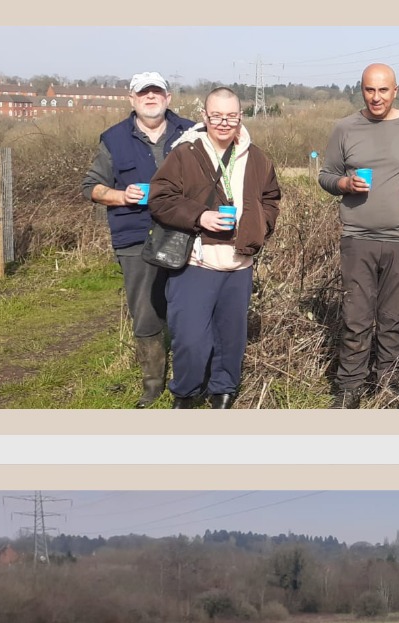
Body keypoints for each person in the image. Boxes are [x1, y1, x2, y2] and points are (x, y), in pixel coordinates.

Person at [148, 86, 281, 409]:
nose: (224, 123)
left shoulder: (258, 157)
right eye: (217, 116)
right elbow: (160, 199)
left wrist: (259, 227)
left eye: (231, 116)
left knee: (230, 339)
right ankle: (186, 392)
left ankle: (223, 390)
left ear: (241, 117)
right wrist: (200, 216)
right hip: (197, 263)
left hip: (239, 265)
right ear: (204, 116)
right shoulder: (185, 153)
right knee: (190, 338)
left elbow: (271, 199)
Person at [319, 64, 399, 408]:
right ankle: (349, 387)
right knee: (356, 319)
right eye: (370, 90)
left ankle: (389, 385)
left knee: (393, 319)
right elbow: (326, 175)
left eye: (383, 90)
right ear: (361, 90)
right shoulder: (345, 128)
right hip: (357, 238)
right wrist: (344, 184)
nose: (376, 97)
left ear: (395, 90)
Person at [82, 73, 193, 407]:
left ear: (168, 97)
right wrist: (121, 195)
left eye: (156, 91)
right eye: (143, 92)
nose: (150, 97)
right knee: (145, 314)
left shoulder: (190, 133)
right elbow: (91, 187)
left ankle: (190, 377)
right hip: (135, 237)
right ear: (131, 99)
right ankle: (153, 383)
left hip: (186, 233)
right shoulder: (114, 139)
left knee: (190, 308)